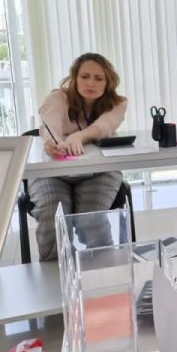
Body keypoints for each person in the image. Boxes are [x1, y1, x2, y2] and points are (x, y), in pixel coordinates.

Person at [30, 52, 128, 261]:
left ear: (108, 82)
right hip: (53, 173)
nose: (91, 83)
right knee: (54, 218)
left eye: (98, 78)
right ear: (74, 77)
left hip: (99, 172)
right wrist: (54, 143)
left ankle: (103, 273)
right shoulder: (57, 98)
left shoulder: (118, 103)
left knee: (91, 220)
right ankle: (55, 273)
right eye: (85, 76)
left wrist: (78, 137)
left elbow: (104, 126)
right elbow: (50, 127)